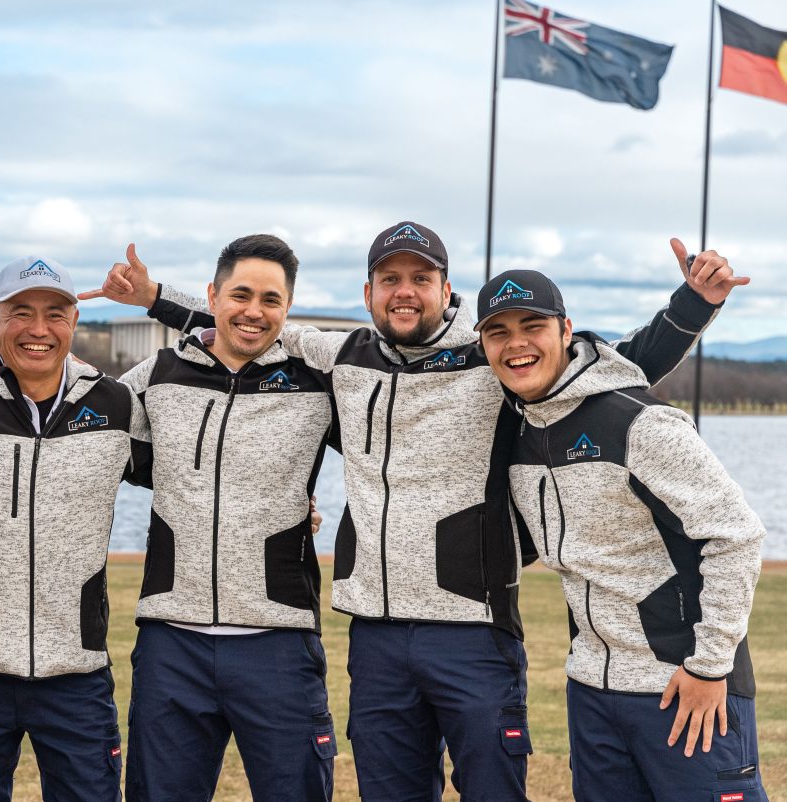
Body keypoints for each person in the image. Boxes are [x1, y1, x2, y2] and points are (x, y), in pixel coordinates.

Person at [88, 222, 746, 801]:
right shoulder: (341, 355)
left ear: (444, 288)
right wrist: (152, 301)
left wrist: (693, 304)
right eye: (390, 278)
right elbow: (249, 327)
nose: (405, 290)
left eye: (420, 278)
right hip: (375, 636)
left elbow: (610, 368)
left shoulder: (490, 356)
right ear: (369, 293)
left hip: (472, 631)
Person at [476, 268, 767, 802]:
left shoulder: (640, 423)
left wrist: (708, 666)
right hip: (591, 690)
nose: (516, 343)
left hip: (683, 689)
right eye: (498, 332)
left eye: (532, 325)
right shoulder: (520, 430)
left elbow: (736, 536)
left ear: (566, 331)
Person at [77, 235, 339, 802]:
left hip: (280, 642)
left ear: (288, 310)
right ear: (212, 295)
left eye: (272, 300)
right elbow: (70, 422)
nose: (254, 311)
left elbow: (392, 404)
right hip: (173, 644)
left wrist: (155, 298)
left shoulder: (317, 379)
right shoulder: (158, 374)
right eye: (240, 294)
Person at [0, 256, 151, 802]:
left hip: (78, 673)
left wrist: (290, 500)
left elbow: (198, 480)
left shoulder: (115, 405)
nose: (39, 330)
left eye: (55, 313)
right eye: (20, 313)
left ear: (75, 322)